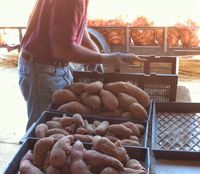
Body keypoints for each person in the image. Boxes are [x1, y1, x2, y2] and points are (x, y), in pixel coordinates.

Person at [18, 0, 145, 130]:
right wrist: (105, 58)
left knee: (57, 124)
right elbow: (62, 49)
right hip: (43, 70)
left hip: (52, 68)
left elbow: (78, 28)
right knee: (41, 129)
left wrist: (94, 53)